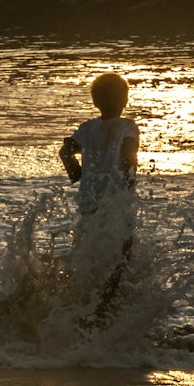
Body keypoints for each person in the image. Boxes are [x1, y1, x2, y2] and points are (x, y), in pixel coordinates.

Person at [58, 73, 139, 308]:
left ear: (95, 102)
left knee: (87, 251)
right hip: (116, 202)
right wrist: (128, 177)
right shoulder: (128, 126)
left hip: (89, 202)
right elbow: (128, 153)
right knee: (123, 254)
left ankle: (82, 299)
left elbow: (65, 152)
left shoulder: (87, 128)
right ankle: (109, 303)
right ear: (125, 100)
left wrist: (78, 174)